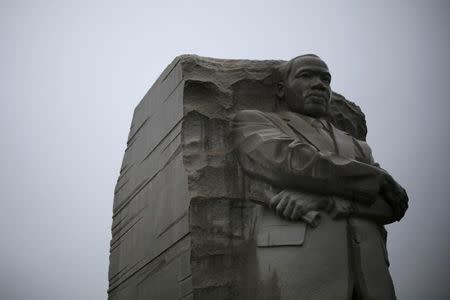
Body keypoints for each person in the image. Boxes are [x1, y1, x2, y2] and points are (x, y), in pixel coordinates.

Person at [231, 54, 408, 300]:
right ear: (281, 90)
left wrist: (327, 201)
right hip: (298, 271)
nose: (319, 84)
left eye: (326, 79)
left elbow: (393, 205)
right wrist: (377, 178)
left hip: (372, 277)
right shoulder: (253, 121)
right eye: (306, 76)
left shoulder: (358, 147)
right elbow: (291, 161)